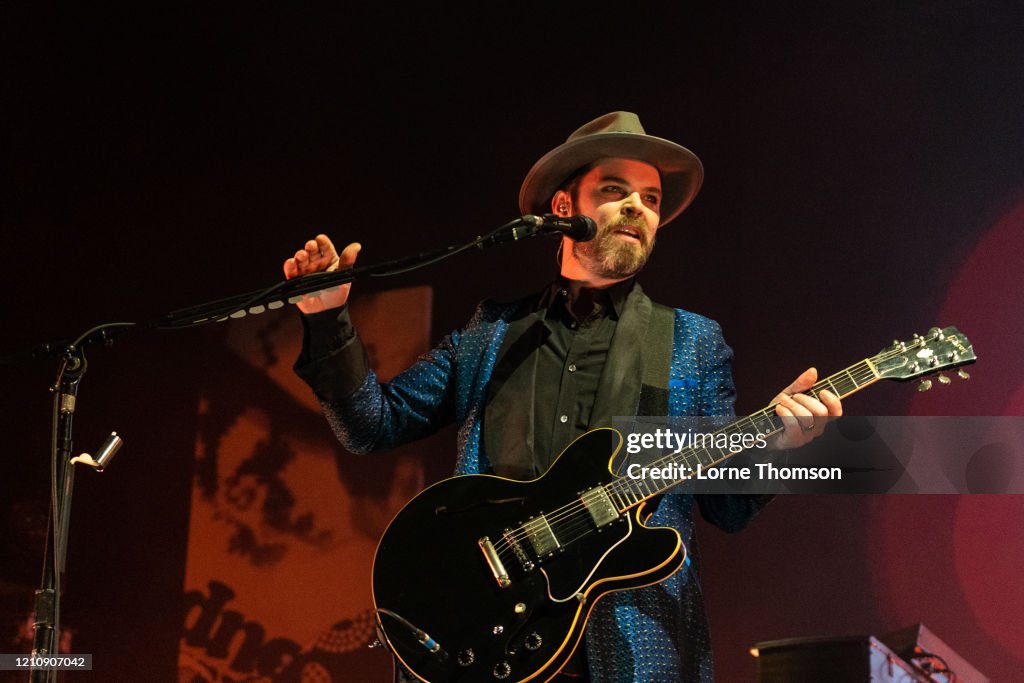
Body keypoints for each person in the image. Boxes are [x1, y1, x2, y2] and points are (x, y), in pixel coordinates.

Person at [284, 112, 842, 682]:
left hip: (627, 650)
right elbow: (370, 425)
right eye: (614, 190)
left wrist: (785, 445)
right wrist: (327, 319)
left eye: (650, 199)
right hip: (479, 637)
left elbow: (727, 506)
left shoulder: (690, 342)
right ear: (561, 209)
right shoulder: (490, 332)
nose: (638, 208)